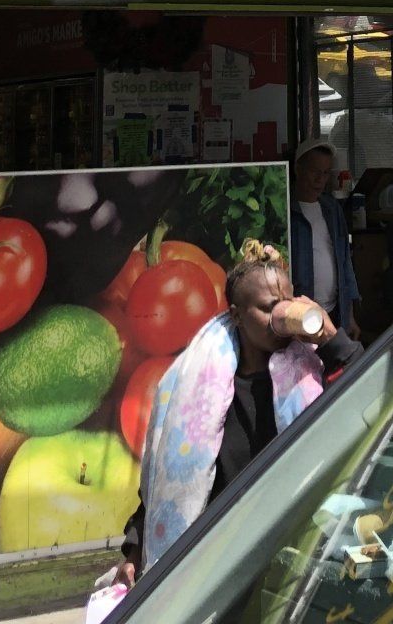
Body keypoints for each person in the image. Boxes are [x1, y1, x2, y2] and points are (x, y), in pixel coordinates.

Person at [114, 241, 361, 585]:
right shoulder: (196, 388)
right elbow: (165, 475)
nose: (281, 315)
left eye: (287, 302)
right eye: (268, 308)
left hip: (290, 562)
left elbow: (370, 391)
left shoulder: (310, 373)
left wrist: (331, 337)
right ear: (236, 315)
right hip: (216, 566)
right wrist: (135, 549)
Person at [287, 143, 360, 337]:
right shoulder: (285, 209)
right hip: (298, 315)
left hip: (334, 313)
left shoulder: (331, 208)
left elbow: (344, 261)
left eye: (326, 173)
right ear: (298, 169)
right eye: (315, 171)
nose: (320, 179)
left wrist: (350, 316)